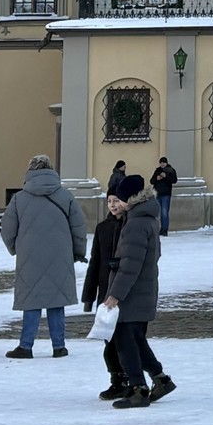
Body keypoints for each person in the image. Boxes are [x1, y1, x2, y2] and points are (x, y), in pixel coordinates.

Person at [1, 154, 87, 358]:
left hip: (29, 256)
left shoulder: (19, 198)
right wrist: (78, 251)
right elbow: (79, 227)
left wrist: (15, 248)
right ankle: (59, 346)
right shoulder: (66, 196)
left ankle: (26, 345)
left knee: (32, 300)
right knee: (56, 299)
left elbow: (7, 229)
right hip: (60, 254)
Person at [104, 174, 175, 407]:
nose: (117, 203)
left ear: (129, 198)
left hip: (132, 294)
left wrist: (115, 295)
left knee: (125, 342)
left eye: (120, 198)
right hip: (142, 290)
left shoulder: (136, 222)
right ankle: (160, 379)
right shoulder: (146, 217)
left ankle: (138, 389)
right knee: (135, 341)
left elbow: (130, 265)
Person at [83, 192, 128, 399]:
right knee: (108, 339)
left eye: (116, 201)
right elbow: (95, 262)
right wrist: (88, 295)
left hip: (125, 292)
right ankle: (116, 379)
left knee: (125, 339)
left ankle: (130, 377)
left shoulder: (130, 227)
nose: (112, 205)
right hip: (105, 291)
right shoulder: (103, 228)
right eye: (109, 201)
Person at [149, 157, 178, 236]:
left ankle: (165, 229)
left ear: (166, 163)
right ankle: (159, 229)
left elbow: (174, 180)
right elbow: (151, 181)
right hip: (157, 194)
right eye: (161, 163)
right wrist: (156, 179)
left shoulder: (171, 170)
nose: (162, 164)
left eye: (163, 163)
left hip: (166, 194)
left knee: (164, 213)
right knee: (158, 213)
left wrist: (166, 177)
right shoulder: (157, 170)